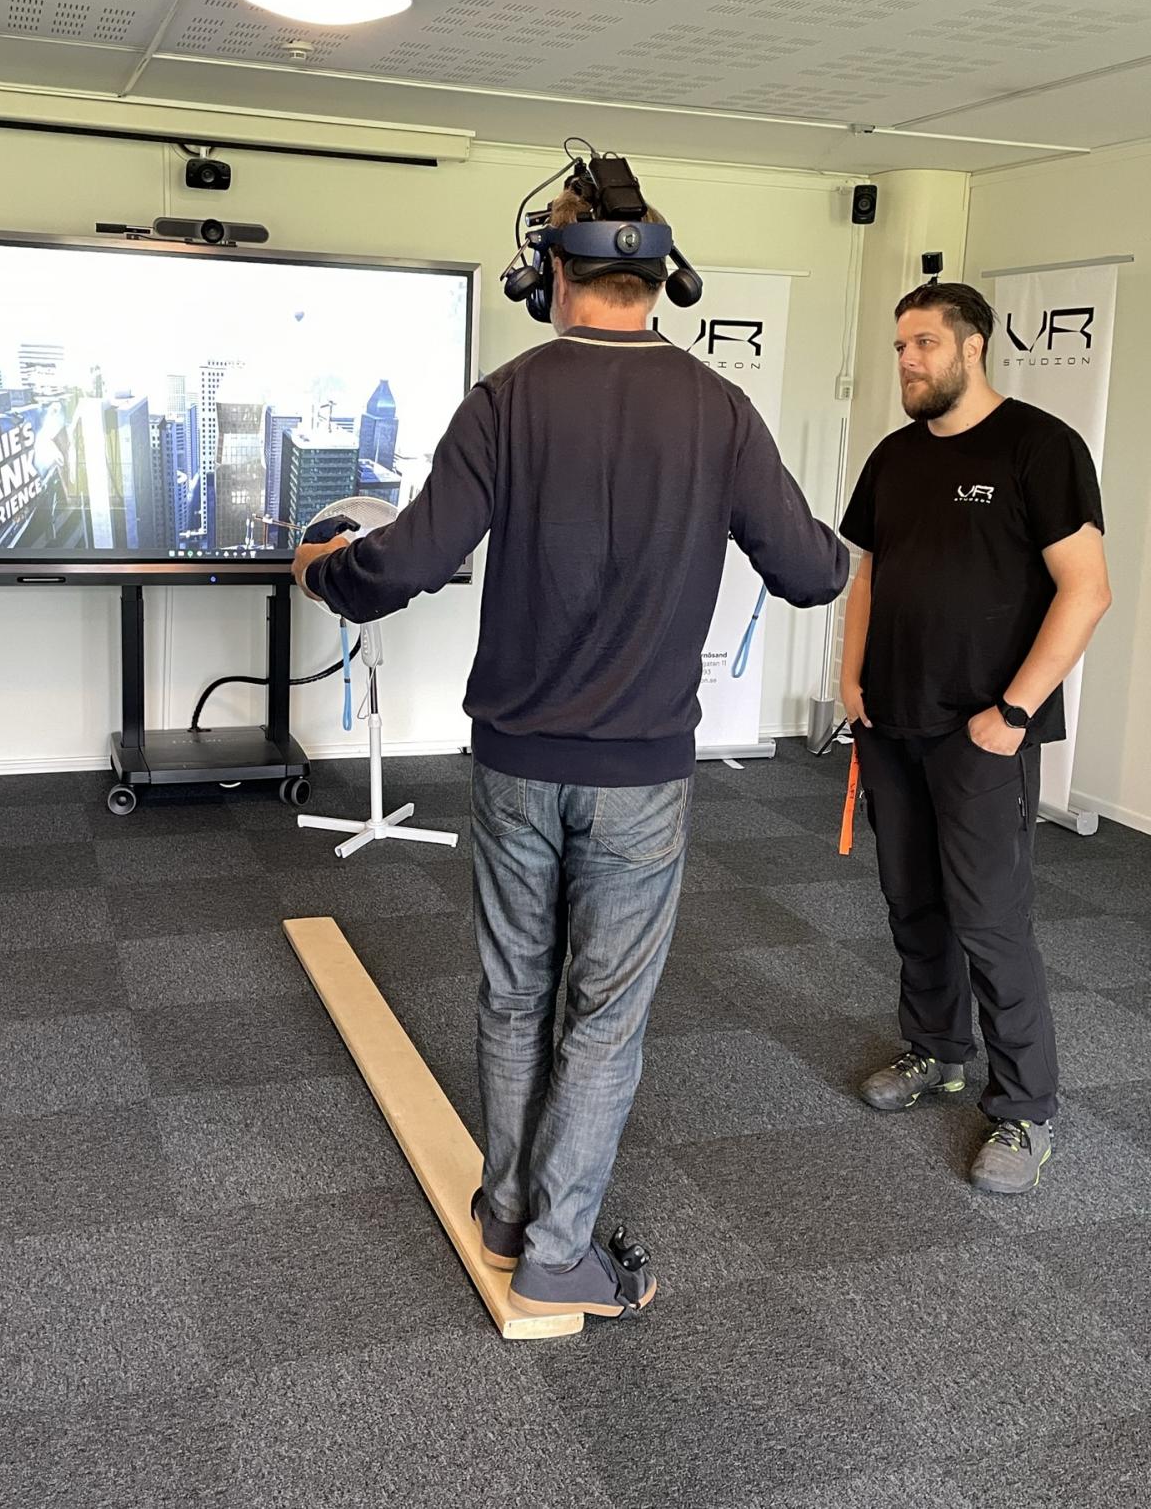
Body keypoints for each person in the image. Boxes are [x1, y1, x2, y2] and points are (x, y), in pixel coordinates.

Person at [295, 183, 847, 1320]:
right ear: (661, 280)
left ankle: (505, 1209)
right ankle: (556, 1244)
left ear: (546, 273)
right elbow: (810, 571)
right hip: (640, 774)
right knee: (603, 1015)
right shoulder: (719, 411)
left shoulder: (505, 400)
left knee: (511, 992)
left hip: (511, 757)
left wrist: (322, 568)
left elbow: (398, 569)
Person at [840, 281, 1111, 1195]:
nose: (907, 361)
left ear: (972, 346)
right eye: (900, 346)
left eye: (922, 344)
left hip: (984, 732)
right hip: (893, 717)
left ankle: (1026, 1108)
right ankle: (936, 1051)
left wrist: (1017, 712)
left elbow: (1087, 589)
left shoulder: (1041, 446)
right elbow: (870, 573)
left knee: (990, 921)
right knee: (911, 901)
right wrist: (852, 675)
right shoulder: (893, 456)